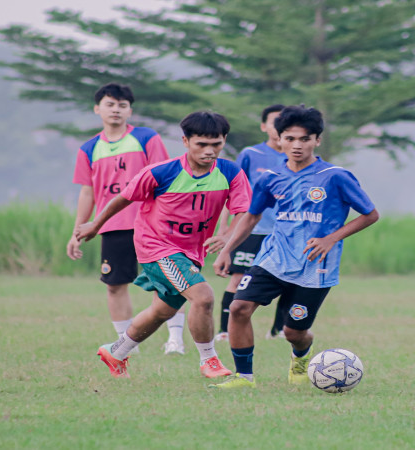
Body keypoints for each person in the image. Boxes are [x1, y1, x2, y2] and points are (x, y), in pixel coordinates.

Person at [209, 106, 379, 389]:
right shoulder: (270, 177)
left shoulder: (336, 176)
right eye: (290, 138)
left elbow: (370, 215)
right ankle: (244, 377)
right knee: (238, 308)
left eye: (304, 139)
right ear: (279, 139)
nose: (297, 145)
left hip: (315, 266)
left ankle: (301, 356)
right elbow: (251, 216)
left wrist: (331, 238)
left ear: (317, 140)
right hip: (273, 258)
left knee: (293, 332)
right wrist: (227, 248)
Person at [75, 111, 252, 379]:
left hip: (190, 252)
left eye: (216, 144)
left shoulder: (230, 172)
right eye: (201, 144)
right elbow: (123, 198)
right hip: (156, 247)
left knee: (162, 311)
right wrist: (95, 225)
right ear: (185, 141)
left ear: (224, 140)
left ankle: (116, 351)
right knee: (203, 297)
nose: (209, 151)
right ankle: (210, 360)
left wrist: (227, 239)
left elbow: (243, 212)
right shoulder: (161, 172)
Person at [67, 82, 179, 354]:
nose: (116, 110)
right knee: (115, 285)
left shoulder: (146, 138)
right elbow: (87, 192)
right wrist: (77, 231)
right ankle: (127, 344)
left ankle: (175, 340)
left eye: (122, 105)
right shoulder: (89, 148)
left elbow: (164, 179)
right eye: (110, 104)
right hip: (112, 225)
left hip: (151, 223)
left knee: (168, 280)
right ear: (97, 109)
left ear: (130, 110)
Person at [215, 104, 289, 343]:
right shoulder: (251, 154)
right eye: (275, 122)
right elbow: (233, 192)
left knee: (289, 280)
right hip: (252, 229)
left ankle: (278, 331)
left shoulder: (297, 156)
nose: (279, 128)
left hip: (285, 232)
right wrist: (225, 227)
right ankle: (225, 330)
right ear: (264, 126)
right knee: (238, 277)